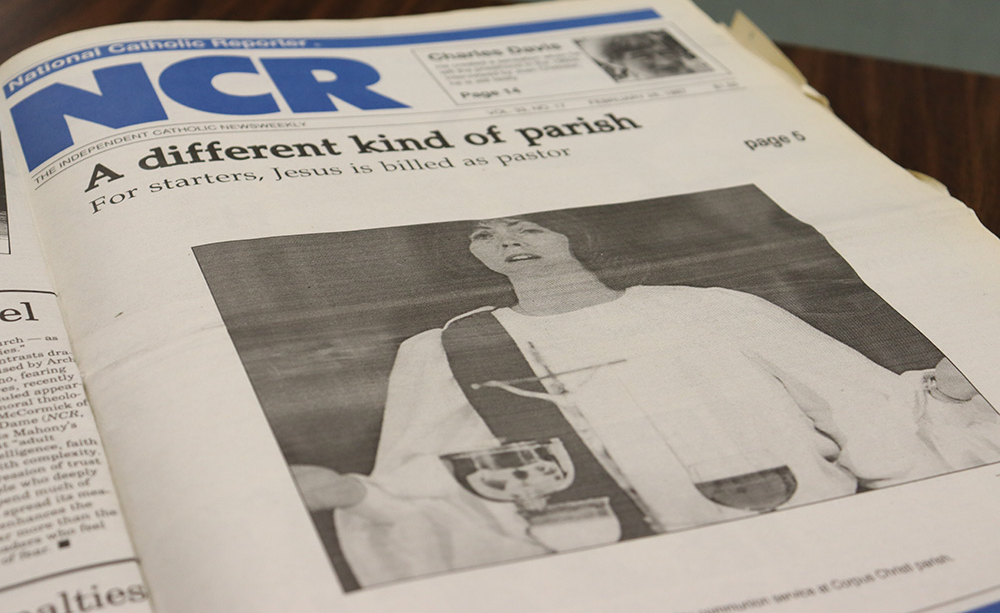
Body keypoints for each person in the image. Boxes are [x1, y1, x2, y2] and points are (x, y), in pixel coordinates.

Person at [293, 215, 1000, 587]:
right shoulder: (447, 348)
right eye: (482, 234)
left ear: (573, 234)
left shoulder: (712, 307)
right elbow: (441, 474)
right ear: (470, 257)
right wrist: (353, 492)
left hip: (806, 538)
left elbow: (861, 403)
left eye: (527, 225)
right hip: (611, 568)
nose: (506, 240)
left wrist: (949, 394)